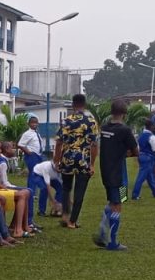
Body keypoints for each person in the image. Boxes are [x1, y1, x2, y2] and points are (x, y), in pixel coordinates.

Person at [93, 99, 138, 251]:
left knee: (119, 200)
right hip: (119, 172)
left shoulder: (105, 128)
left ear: (111, 112)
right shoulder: (125, 130)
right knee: (118, 204)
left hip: (107, 171)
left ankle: (105, 223)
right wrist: (126, 153)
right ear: (125, 114)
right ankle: (111, 240)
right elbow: (135, 151)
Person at [52, 93, 99, 229]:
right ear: (85, 105)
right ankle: (73, 221)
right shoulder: (91, 121)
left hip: (67, 158)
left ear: (72, 104)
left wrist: (56, 161)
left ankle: (65, 216)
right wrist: (92, 164)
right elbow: (94, 145)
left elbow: (59, 143)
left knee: (66, 188)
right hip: (83, 159)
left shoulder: (65, 120)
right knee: (80, 190)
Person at [0, 140, 30, 238]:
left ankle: (19, 226)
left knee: (26, 192)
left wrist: (2, 187)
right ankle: (18, 229)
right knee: (23, 194)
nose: (0, 150)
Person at [0, 141, 40, 233]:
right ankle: (28, 222)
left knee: (27, 191)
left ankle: (16, 224)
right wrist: (15, 187)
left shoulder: (0, 160)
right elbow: (4, 182)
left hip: (1, 186)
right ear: (6, 149)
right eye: (12, 148)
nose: (13, 150)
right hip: (1, 187)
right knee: (28, 191)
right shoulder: (2, 162)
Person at [18, 114, 47, 218]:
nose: (34, 124)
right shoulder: (27, 133)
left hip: (39, 155)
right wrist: (28, 152)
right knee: (33, 175)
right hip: (32, 156)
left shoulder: (37, 133)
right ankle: (31, 192)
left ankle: (41, 207)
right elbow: (20, 144)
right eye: (32, 122)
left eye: (36, 122)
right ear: (29, 124)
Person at [131, 119, 155, 200]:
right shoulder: (151, 136)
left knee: (150, 176)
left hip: (141, 155)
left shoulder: (141, 135)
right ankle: (135, 194)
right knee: (141, 177)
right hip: (148, 157)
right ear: (151, 126)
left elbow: (138, 147)